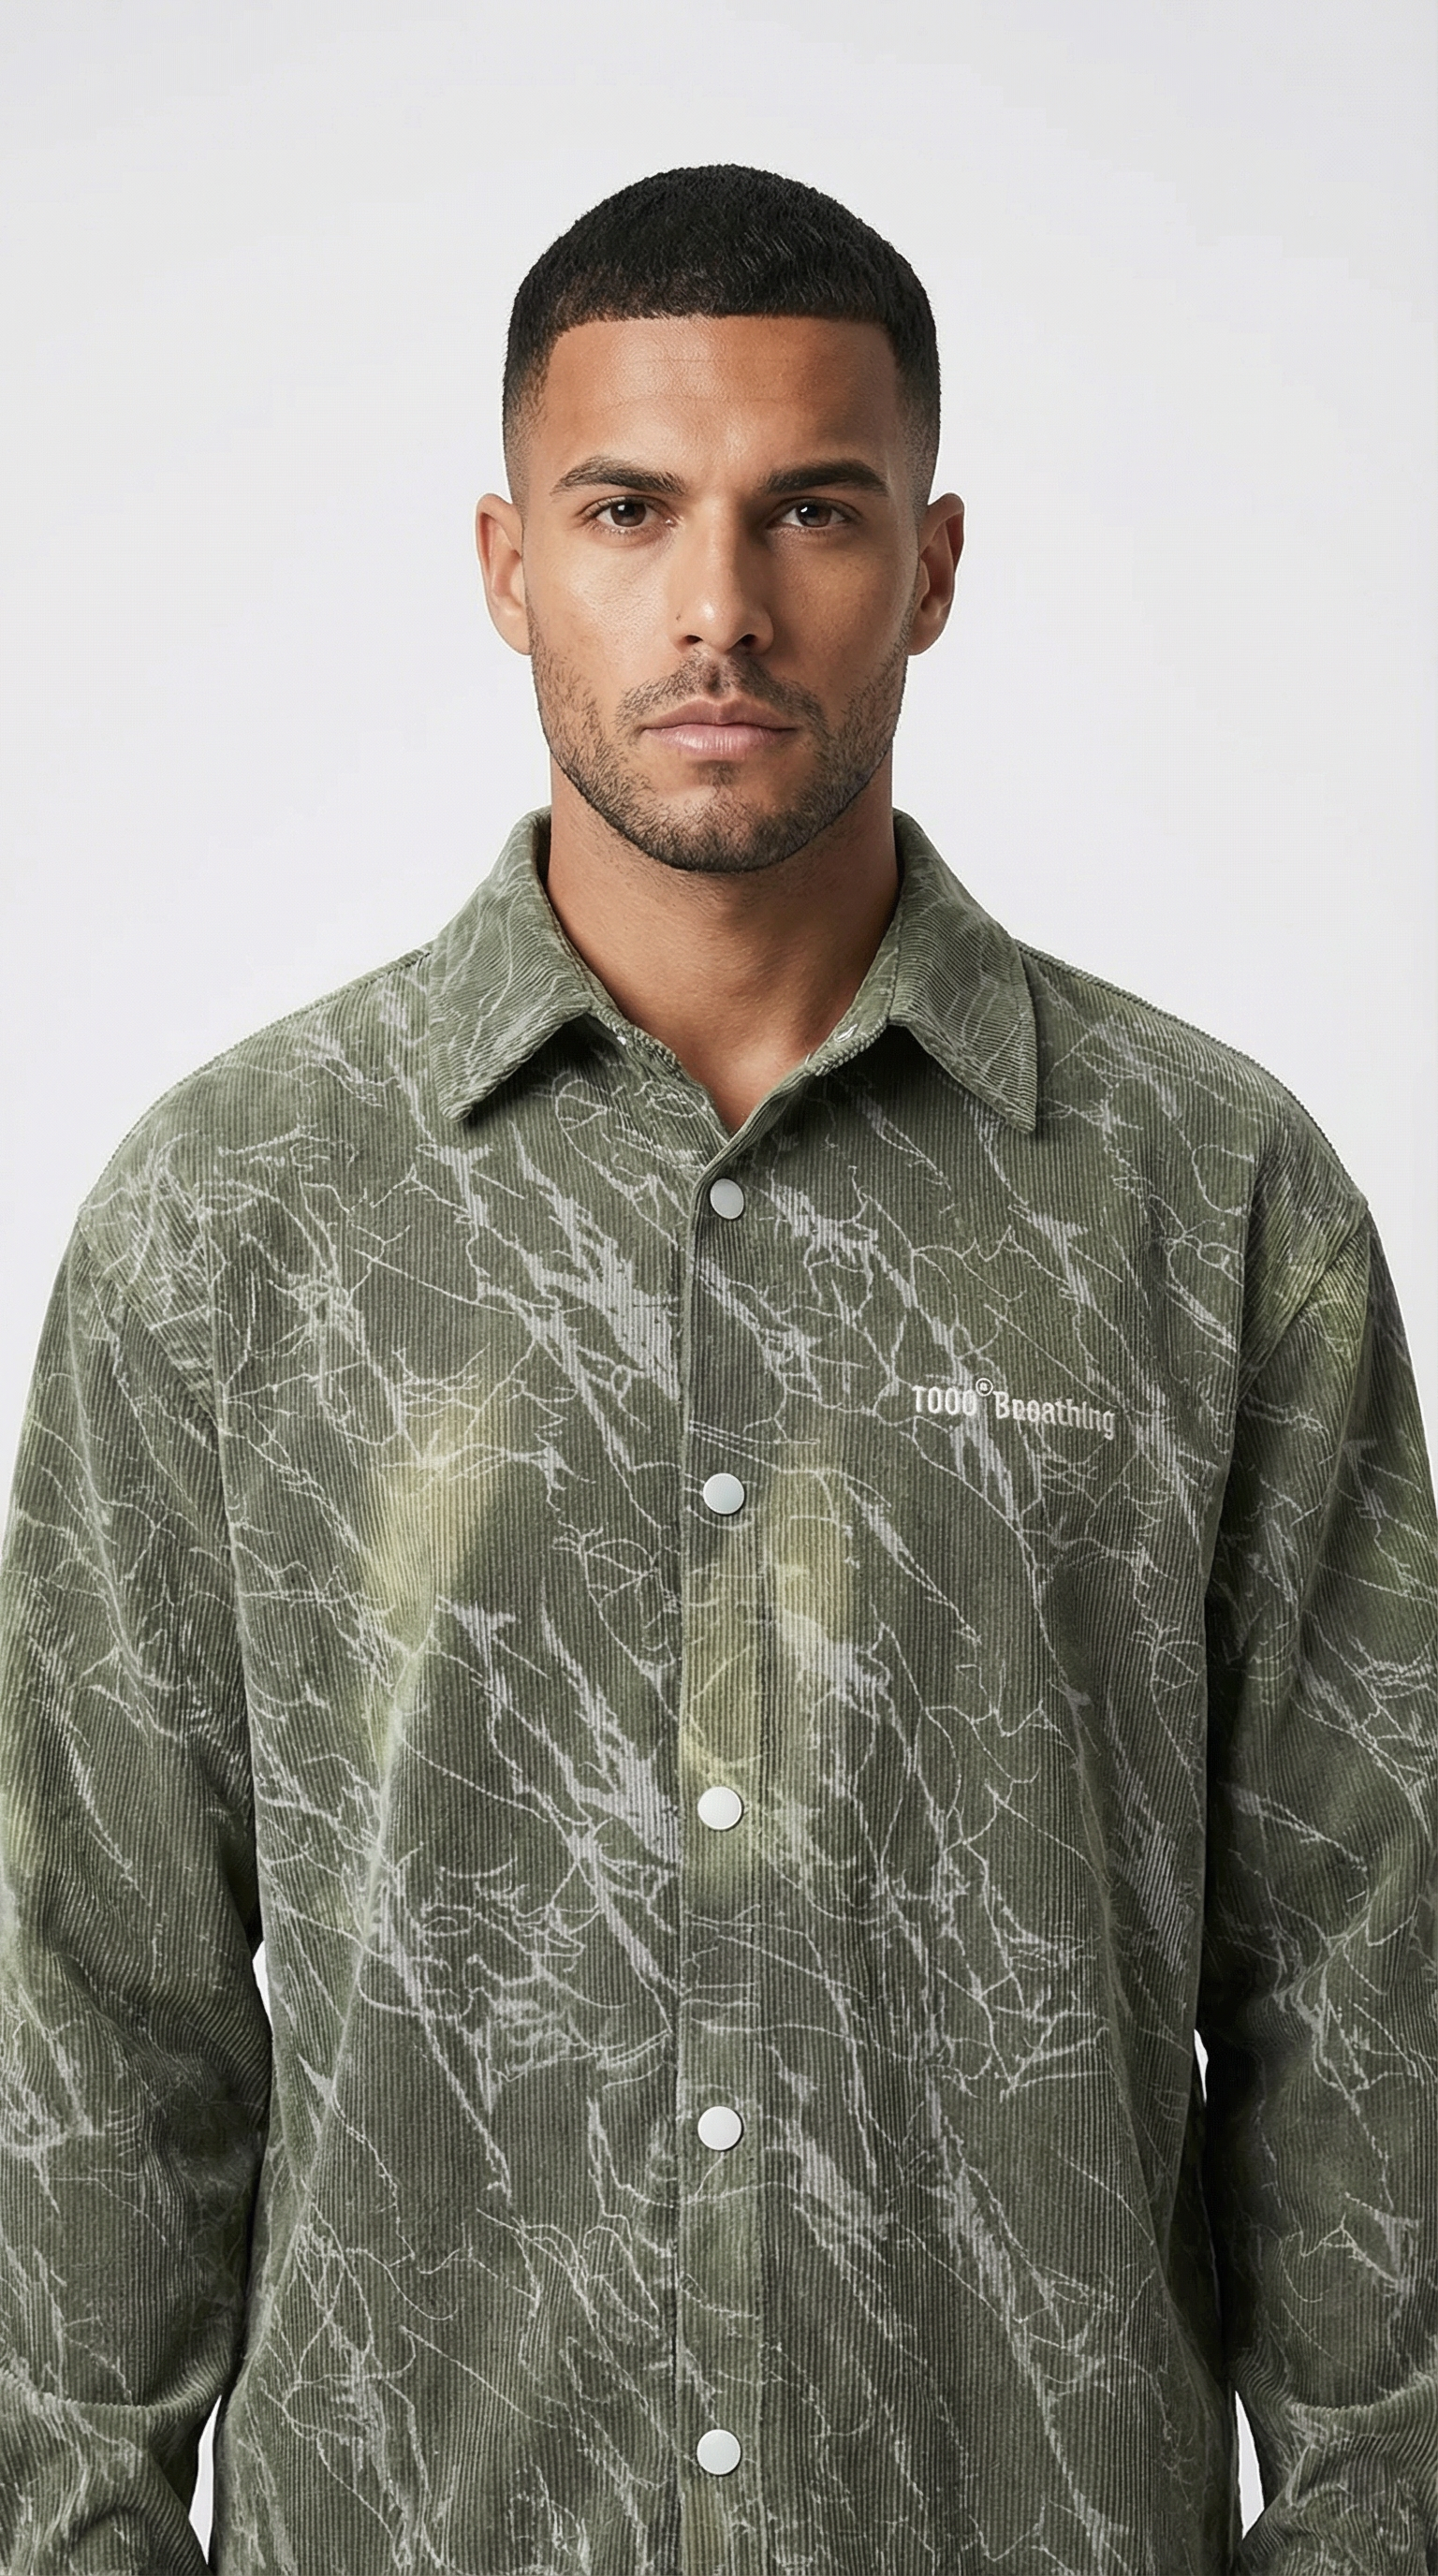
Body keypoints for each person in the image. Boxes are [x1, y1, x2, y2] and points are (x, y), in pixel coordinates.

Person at [0, 162, 1434, 2576]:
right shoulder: (235, 1215)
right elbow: (88, 2022)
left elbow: (1371, 1993)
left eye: (815, 511)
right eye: (628, 509)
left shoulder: (1212, 1201)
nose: (719, 609)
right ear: (506, 564)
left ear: (934, 568)